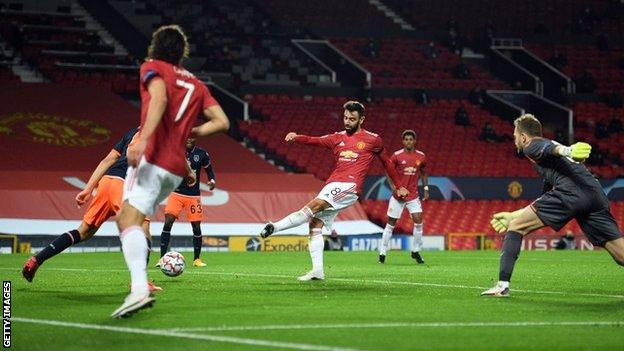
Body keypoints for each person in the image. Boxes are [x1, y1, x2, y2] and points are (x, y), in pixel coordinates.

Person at [111, 24, 229, 318]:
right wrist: (192, 134)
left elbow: (160, 99)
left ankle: (139, 289)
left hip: (154, 157)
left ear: (156, 46)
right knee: (135, 220)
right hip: (178, 167)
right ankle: (139, 287)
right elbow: (222, 122)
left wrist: (144, 140)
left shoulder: (151, 67)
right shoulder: (197, 84)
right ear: (182, 51)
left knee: (127, 220)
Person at [259, 101, 409, 281]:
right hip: (332, 184)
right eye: (345, 118)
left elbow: (387, 163)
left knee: (314, 205)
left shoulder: (373, 139)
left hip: (350, 186)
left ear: (361, 119)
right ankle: (318, 271)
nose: (347, 121)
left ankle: (275, 227)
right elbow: (314, 140)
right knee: (315, 226)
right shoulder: (337, 138)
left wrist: (399, 185)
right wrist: (296, 137)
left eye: (352, 119)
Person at [482, 114, 624, 297]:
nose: (514, 138)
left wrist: (568, 150)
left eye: (515, 135)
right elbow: (543, 200)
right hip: (595, 193)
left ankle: (502, 286)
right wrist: (514, 214)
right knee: (621, 256)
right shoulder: (549, 165)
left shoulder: (531, 146)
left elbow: (548, 148)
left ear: (524, 137)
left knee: (516, 228)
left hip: (572, 192)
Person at [21, 128, 160, 292]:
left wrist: (88, 189)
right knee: (143, 228)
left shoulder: (131, 132)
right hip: (125, 185)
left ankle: (37, 260)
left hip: (107, 181)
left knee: (84, 231)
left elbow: (107, 160)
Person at [159, 137, 216, 268]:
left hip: (193, 196)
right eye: (187, 136)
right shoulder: (176, 151)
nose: (189, 139)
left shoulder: (202, 154)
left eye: (192, 137)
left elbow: (209, 171)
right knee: (168, 222)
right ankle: (162, 258)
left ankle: (196, 259)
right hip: (176, 193)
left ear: (196, 138)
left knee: (196, 226)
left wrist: (212, 181)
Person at [379, 129, 429, 264]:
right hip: (398, 197)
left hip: (413, 195)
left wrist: (425, 188)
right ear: (403, 141)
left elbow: (424, 172)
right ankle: (382, 253)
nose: (408, 141)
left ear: (414, 141)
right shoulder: (396, 156)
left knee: (419, 221)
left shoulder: (421, 156)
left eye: (411, 139)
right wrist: (394, 188)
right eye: (406, 139)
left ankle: (416, 251)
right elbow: (388, 171)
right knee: (391, 224)